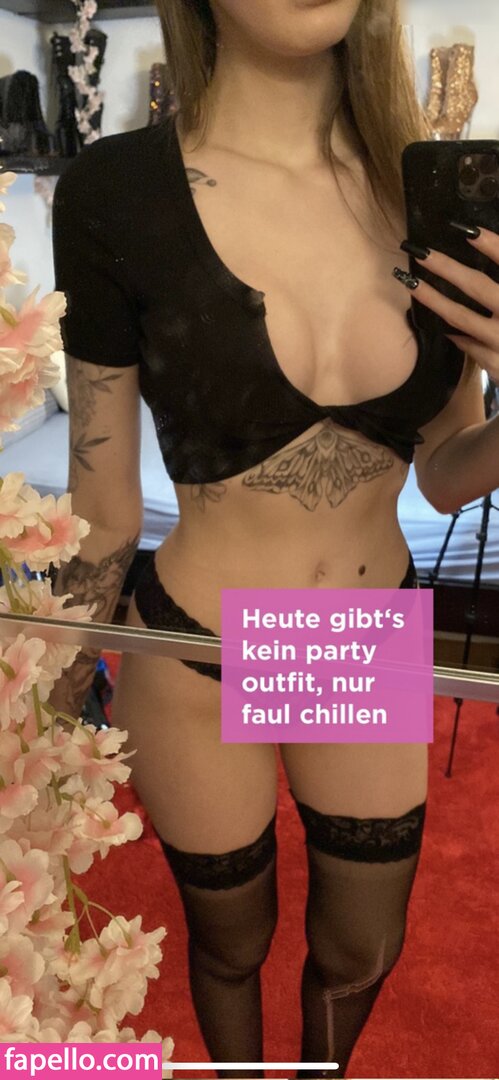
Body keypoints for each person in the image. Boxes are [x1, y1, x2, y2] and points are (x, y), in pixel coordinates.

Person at [50, 0, 499, 1076]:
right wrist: (46, 690)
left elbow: (443, 475)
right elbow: (105, 505)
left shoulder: (421, 196)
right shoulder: (116, 191)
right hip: (194, 647)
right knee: (229, 945)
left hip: (355, 642)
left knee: (360, 949)